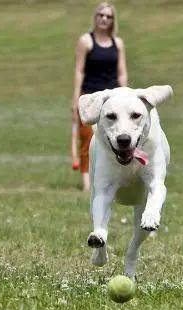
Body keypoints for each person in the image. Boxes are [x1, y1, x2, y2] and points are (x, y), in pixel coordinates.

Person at [71, 2, 128, 192]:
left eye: (108, 16)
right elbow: (79, 70)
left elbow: (121, 73)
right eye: (101, 15)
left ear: (113, 20)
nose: (104, 19)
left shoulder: (117, 43)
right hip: (91, 96)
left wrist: (126, 95)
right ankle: (87, 183)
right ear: (95, 18)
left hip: (113, 99)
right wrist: (76, 98)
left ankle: (114, 180)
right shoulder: (86, 41)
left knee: (114, 139)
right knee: (87, 139)